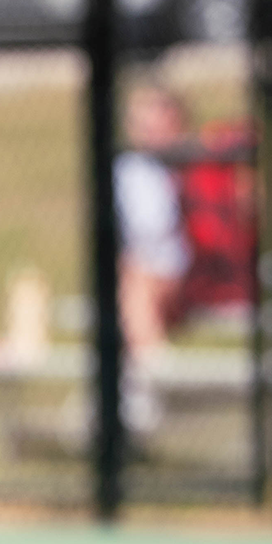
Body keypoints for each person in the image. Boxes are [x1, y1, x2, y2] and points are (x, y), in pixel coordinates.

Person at [115, 83, 192, 434]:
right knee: (134, 282)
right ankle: (149, 373)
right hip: (143, 272)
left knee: (135, 284)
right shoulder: (129, 170)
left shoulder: (196, 168)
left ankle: (151, 375)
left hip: (185, 275)